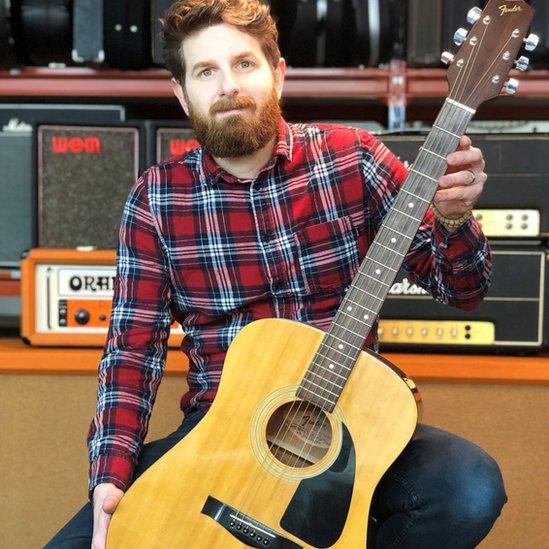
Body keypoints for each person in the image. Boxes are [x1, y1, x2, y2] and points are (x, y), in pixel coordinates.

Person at [46, 1, 507, 547]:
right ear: (183, 94)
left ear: (278, 73)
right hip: (218, 428)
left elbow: (464, 289)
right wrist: (110, 480)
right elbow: (131, 352)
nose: (227, 86)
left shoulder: (353, 158)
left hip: (350, 427)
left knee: (470, 486)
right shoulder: (156, 197)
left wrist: (454, 218)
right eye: (206, 71)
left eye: (243, 63)